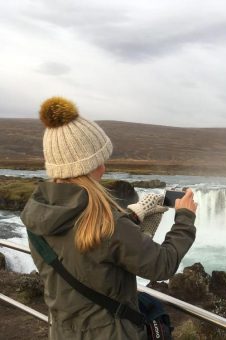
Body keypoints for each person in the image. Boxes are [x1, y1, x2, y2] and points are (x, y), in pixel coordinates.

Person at [20, 97, 197, 339]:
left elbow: (83, 251)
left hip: (62, 331)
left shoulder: (36, 214)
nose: (104, 168)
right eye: (99, 161)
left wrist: (132, 216)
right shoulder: (107, 224)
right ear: (85, 166)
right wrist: (185, 218)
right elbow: (162, 265)